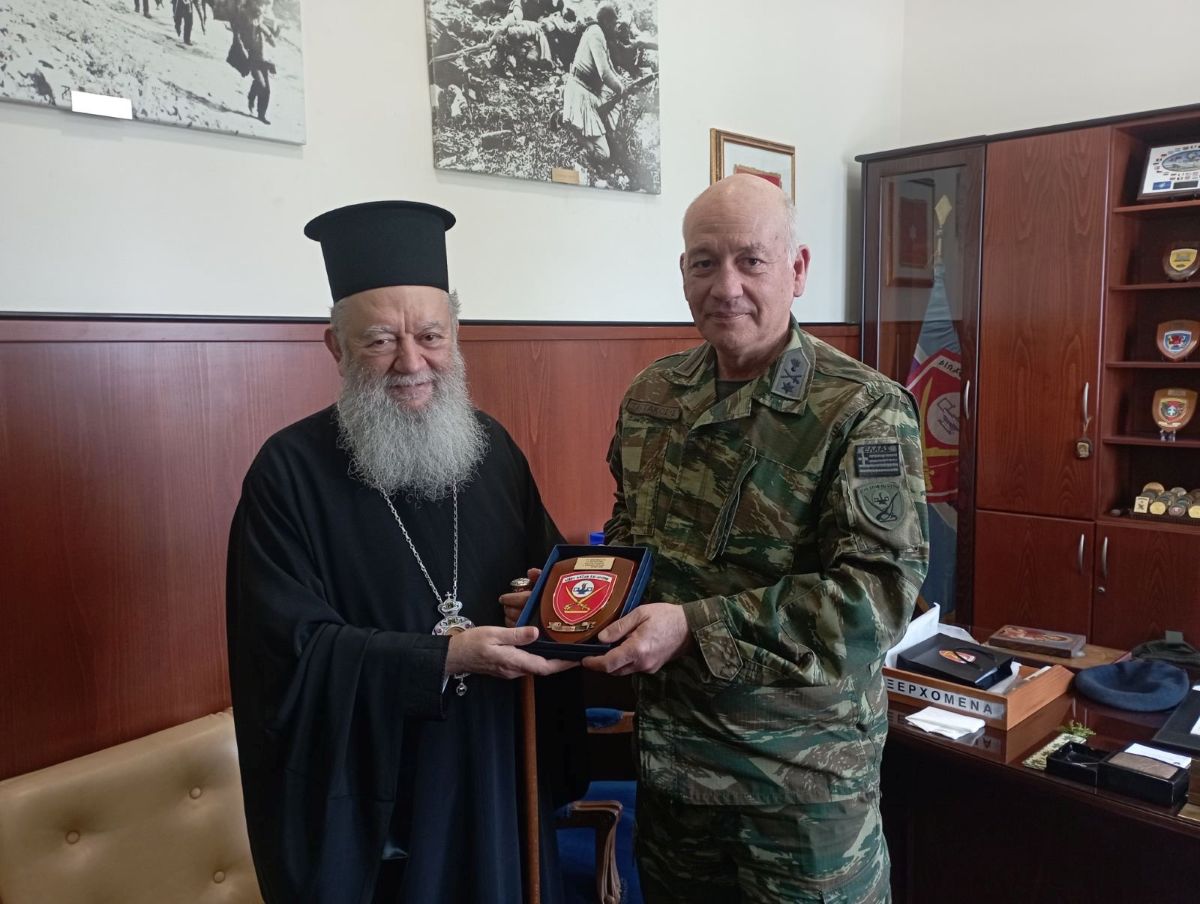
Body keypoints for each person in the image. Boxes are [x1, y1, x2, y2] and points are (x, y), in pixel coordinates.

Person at [227, 200, 586, 904]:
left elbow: (552, 583)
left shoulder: (493, 450)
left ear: (456, 336)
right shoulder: (287, 473)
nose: (412, 362)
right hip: (374, 804)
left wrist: (548, 603)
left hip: (493, 774)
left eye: (430, 336)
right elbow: (287, 655)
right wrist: (442, 657)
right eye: (380, 341)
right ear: (335, 347)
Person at [585, 174, 930, 902]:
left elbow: (875, 599)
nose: (726, 286)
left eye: (751, 261)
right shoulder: (653, 395)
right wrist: (579, 598)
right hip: (674, 780)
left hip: (798, 795)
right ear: (683, 272)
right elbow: (629, 534)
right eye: (704, 262)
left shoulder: (862, 410)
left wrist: (693, 627)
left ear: (797, 269)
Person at [560, 2, 625, 162]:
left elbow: (609, 67)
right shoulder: (596, 33)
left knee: (610, 108)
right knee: (603, 154)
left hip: (589, 93)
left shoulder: (600, 34)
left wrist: (622, 83)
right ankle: (571, 127)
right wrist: (621, 89)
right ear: (606, 22)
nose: (615, 28)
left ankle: (570, 119)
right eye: (614, 24)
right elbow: (605, 73)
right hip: (580, 92)